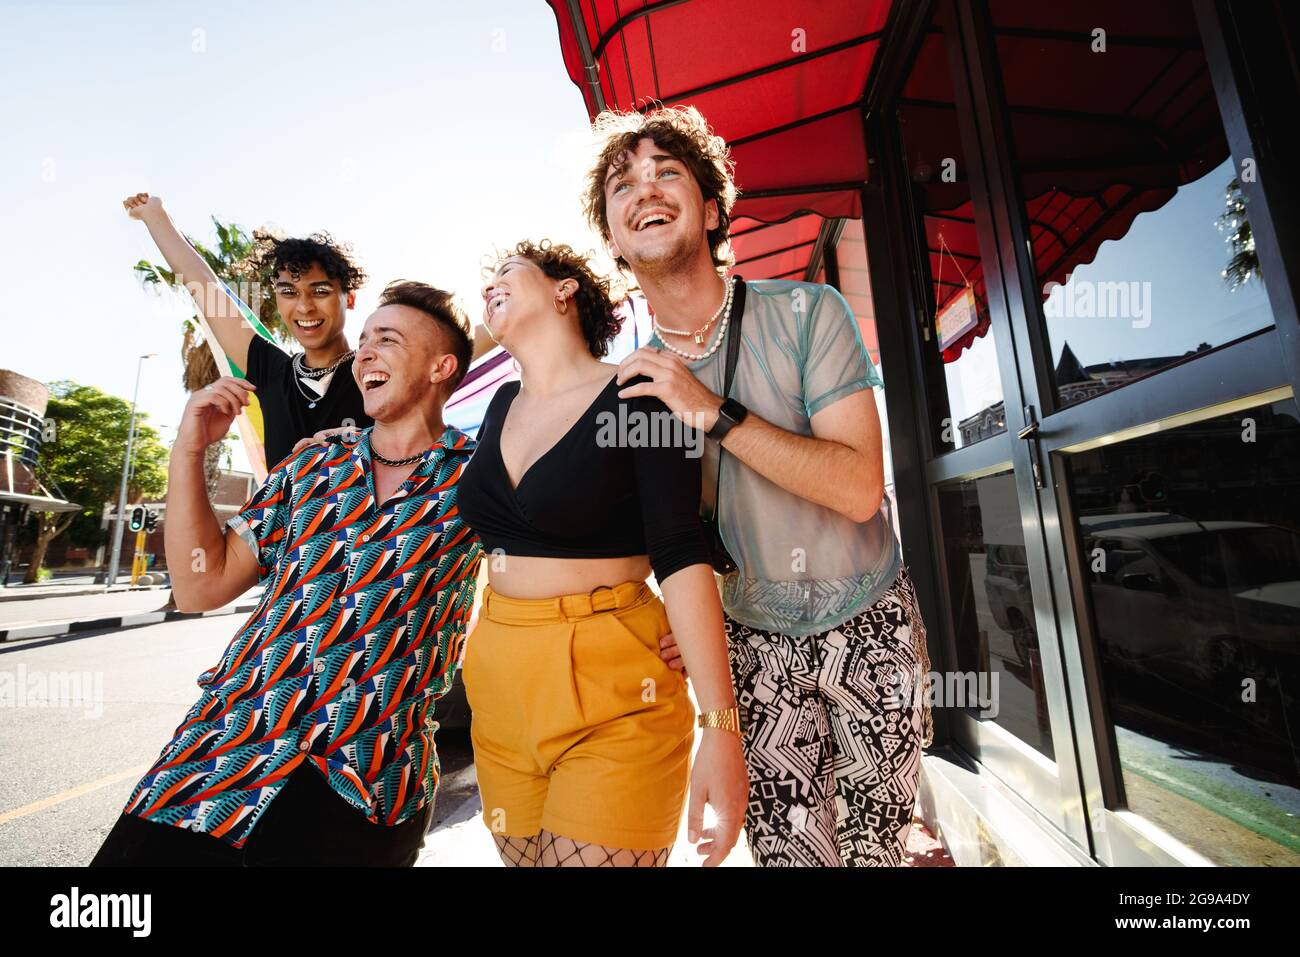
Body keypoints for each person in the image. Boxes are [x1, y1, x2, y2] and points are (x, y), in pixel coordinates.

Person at [584, 105, 934, 867]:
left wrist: (710, 411)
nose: (645, 188)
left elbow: (856, 488)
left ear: (711, 208)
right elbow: (663, 539)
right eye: (623, 184)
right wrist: (682, 611)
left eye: (667, 172)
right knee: (794, 860)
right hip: (752, 647)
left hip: (871, 624)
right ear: (611, 236)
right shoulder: (629, 388)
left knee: (877, 854)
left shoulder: (810, 312)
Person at [89, 280, 480, 866]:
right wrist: (189, 452)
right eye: (365, 339)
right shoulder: (312, 462)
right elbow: (201, 585)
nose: (364, 352)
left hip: (364, 789)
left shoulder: (478, 479)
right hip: (217, 760)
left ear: (441, 366)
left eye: (388, 340)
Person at [454, 239, 747, 867]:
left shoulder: (643, 388)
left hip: (615, 689)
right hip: (501, 688)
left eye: (507, 272)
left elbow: (679, 549)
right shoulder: (500, 405)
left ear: (565, 290)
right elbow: (410, 368)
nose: (490, 286)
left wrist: (720, 730)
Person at [124, 191, 373, 466]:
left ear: (348, 298)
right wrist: (155, 216)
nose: (304, 307)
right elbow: (204, 286)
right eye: (289, 292)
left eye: (320, 291)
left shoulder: (378, 372)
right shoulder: (270, 370)